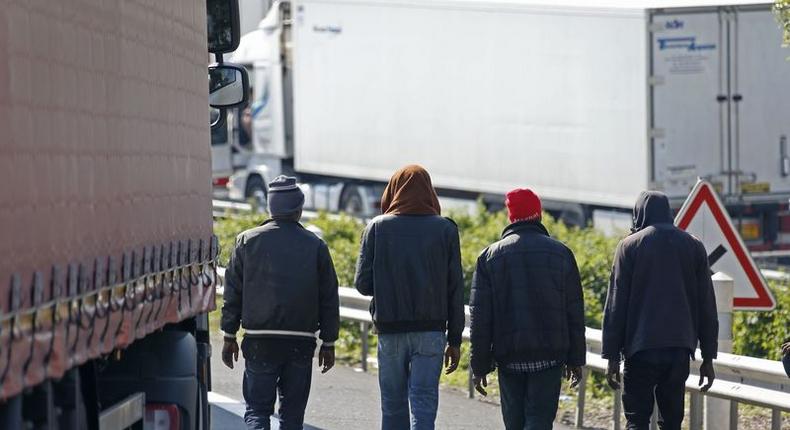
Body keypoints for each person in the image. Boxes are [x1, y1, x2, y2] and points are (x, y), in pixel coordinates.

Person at [221, 175, 340, 430]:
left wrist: (229, 335)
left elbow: (233, 293)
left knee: (257, 411)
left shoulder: (247, 241)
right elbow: (329, 297)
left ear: (270, 207)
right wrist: (328, 343)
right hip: (301, 342)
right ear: (299, 209)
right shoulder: (315, 246)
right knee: (292, 417)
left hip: (259, 341)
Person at [354, 165, 464, 430]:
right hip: (431, 332)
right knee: (424, 403)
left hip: (390, 330)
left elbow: (362, 284)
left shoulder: (377, 227)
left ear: (393, 191)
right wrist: (455, 340)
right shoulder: (445, 230)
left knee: (393, 405)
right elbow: (455, 289)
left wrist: (389, 284)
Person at [469, 188, 586, 430]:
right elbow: (574, 311)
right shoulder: (562, 254)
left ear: (511, 217)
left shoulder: (489, 257)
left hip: (509, 357)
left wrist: (479, 366)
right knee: (539, 422)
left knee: (514, 424)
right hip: (549, 357)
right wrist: (576, 359)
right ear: (539, 215)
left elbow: (481, 318)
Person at [602, 191, 718, 430]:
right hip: (678, 350)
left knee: (637, 420)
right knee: (672, 422)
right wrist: (708, 356)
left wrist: (612, 356)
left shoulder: (628, 247)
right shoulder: (693, 246)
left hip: (640, 350)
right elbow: (707, 305)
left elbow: (616, 304)